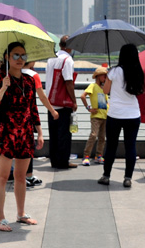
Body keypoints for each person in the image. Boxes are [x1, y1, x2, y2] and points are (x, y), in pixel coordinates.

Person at [0, 42, 43, 232]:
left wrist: (39, 131)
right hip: (6, 133)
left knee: (21, 176)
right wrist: (3, 88)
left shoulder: (28, 81)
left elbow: (33, 108)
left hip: (26, 133)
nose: (20, 59)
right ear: (7, 57)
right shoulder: (0, 80)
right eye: (15, 55)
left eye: (23, 55)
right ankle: (0, 217)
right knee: (3, 177)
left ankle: (21, 214)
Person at [98, 44, 144, 188]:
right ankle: (128, 178)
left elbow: (105, 91)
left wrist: (109, 76)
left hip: (115, 114)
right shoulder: (138, 71)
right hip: (133, 114)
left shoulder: (114, 71)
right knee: (130, 146)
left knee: (111, 145)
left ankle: (106, 176)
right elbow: (139, 91)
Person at [22, 60, 57, 187]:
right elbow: (42, 97)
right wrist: (52, 110)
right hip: (27, 118)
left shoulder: (10, 74)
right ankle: (27, 176)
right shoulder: (33, 75)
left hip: (11, 119)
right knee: (28, 147)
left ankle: (18, 174)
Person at [45, 35, 77, 169]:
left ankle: (54, 160)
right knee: (64, 134)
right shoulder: (67, 60)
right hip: (63, 103)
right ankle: (63, 162)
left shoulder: (52, 57)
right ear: (69, 46)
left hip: (50, 102)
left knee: (53, 134)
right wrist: (74, 101)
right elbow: (69, 82)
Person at [80, 66, 109, 167]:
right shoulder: (92, 86)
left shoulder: (103, 88)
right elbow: (82, 96)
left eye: (106, 76)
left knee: (102, 137)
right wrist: (88, 108)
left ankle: (99, 155)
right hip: (96, 116)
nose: (105, 77)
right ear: (98, 76)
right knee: (93, 135)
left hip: (105, 116)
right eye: (103, 75)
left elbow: (106, 102)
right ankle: (86, 156)